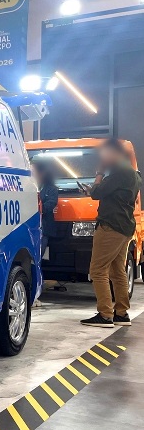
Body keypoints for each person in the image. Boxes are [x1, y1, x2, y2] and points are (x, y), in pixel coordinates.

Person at [80, 139, 141, 328]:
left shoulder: (119, 172)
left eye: (105, 154)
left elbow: (97, 193)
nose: (103, 158)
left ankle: (105, 315)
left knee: (97, 270)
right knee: (117, 270)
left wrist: (99, 173)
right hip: (124, 226)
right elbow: (109, 193)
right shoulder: (132, 172)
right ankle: (121, 313)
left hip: (111, 226)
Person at [37, 165, 59, 258]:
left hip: (44, 228)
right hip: (29, 227)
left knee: (39, 253)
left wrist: (35, 209)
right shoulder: (28, 188)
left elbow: (50, 204)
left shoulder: (52, 189)